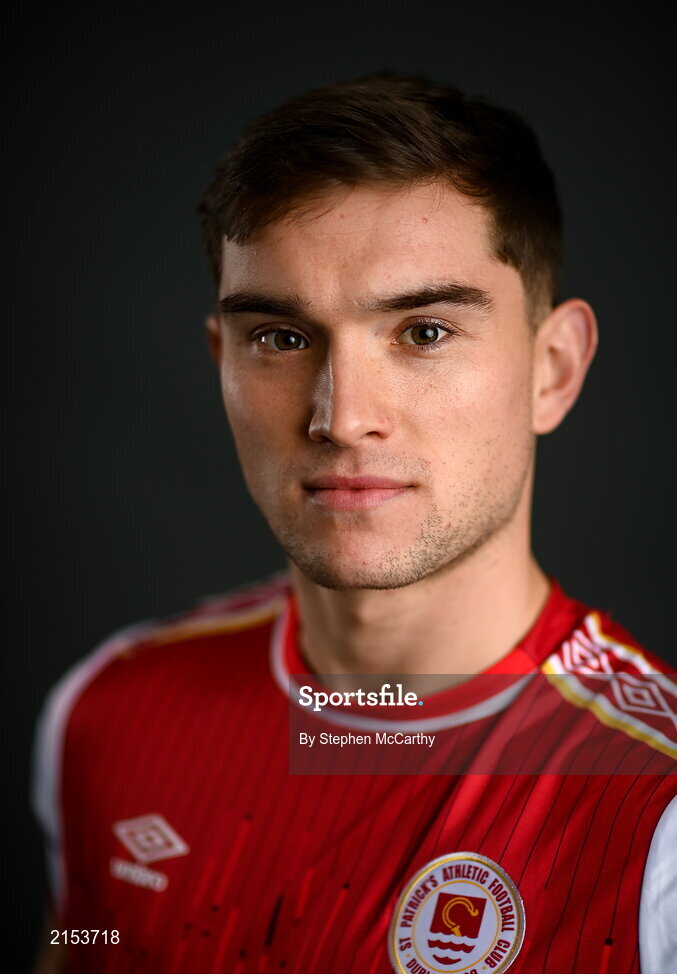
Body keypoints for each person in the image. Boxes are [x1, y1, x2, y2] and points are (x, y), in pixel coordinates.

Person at [32, 73, 675, 974]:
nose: (340, 416)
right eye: (282, 339)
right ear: (222, 359)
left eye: (423, 333)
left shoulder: (659, 822)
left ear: (552, 369)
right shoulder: (107, 711)